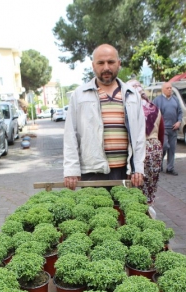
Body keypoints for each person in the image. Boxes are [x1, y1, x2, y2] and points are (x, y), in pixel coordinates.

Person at [63, 43, 146, 190]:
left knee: (122, 212)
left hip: (124, 172)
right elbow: (70, 135)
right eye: (101, 63)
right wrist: (71, 170)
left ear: (119, 64)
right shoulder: (80, 95)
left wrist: (138, 167)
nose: (106, 67)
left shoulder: (132, 95)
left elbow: (140, 136)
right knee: (93, 212)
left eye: (111, 62)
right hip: (92, 172)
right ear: (93, 66)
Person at [127, 79, 164, 206]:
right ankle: (149, 209)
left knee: (134, 185)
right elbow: (161, 132)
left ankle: (137, 212)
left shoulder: (130, 108)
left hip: (137, 150)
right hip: (154, 148)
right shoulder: (155, 108)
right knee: (150, 186)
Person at [153, 82, 182, 176]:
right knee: (165, 146)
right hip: (163, 129)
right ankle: (160, 163)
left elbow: (180, 112)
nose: (170, 89)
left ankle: (170, 168)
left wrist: (179, 121)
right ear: (163, 89)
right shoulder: (158, 100)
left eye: (171, 88)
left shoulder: (175, 99)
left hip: (174, 128)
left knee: (172, 149)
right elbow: (154, 114)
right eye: (168, 88)